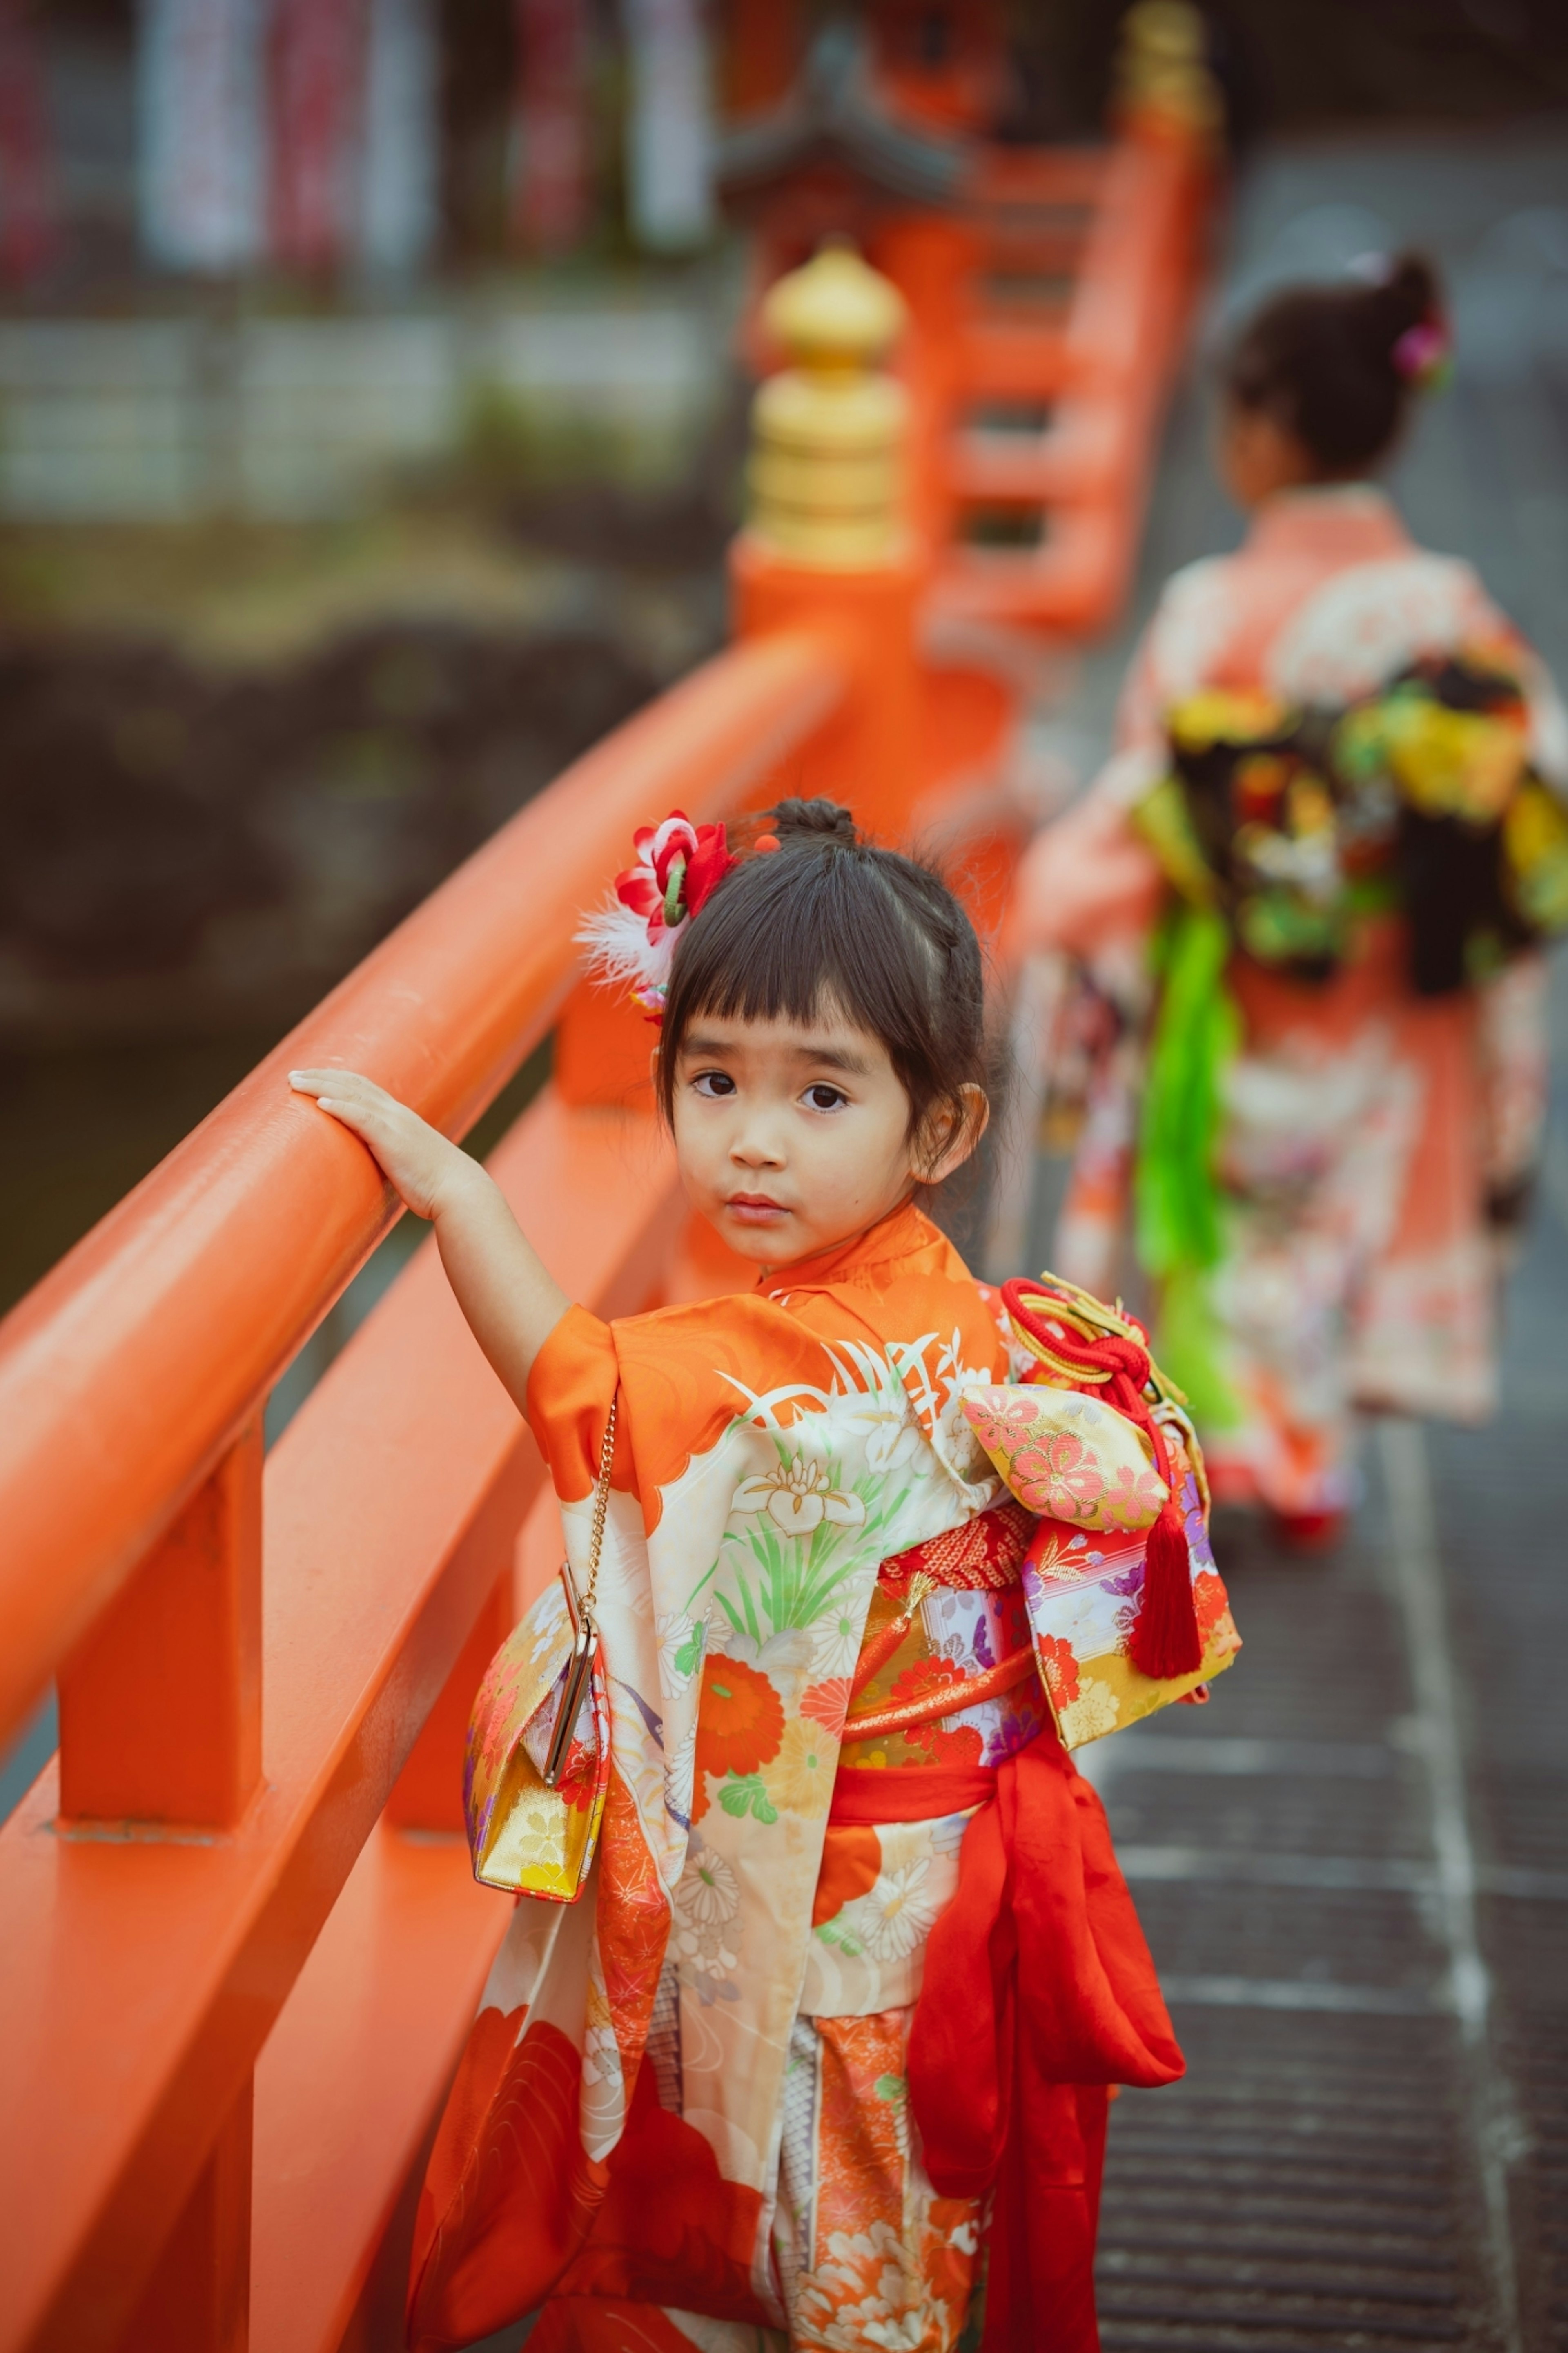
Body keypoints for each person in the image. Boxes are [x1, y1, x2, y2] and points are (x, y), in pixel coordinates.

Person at [290, 798, 1198, 2353]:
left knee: (806, 2226)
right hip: (933, 1895)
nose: (752, 1136)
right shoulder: (956, 1310)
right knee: (877, 2229)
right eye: (713, 1079)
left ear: (944, 1130)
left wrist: (461, 1195)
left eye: (819, 1091)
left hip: (855, 1913)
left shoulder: (809, 1357)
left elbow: (583, 1383)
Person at [1010, 254, 1568, 1546]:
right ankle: (1310, 1460)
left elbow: (1140, 813)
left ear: (1259, 425)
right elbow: (1530, 776)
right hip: (1391, 993)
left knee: (1241, 1210)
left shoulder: (1210, 609)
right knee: (1347, 1213)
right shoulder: (1450, 607)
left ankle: (1246, 1443)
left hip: (1247, 982)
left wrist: (1061, 901)